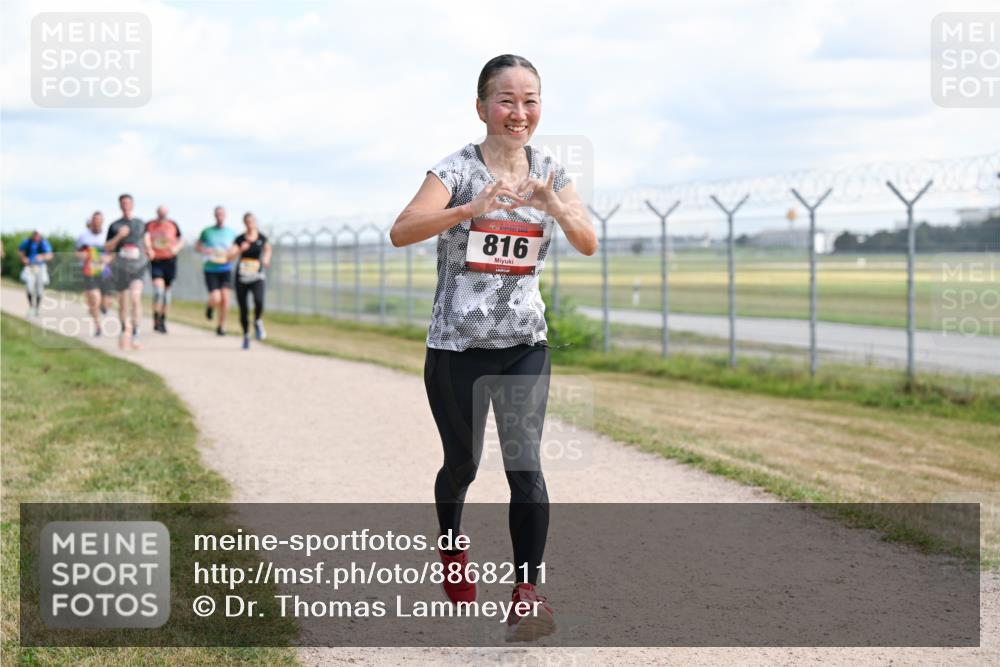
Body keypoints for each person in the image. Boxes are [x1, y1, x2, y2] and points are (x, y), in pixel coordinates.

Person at [389, 54, 597, 642]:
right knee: (462, 465)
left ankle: (527, 593)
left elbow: (587, 242)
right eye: (506, 100)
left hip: (524, 343)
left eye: (530, 100)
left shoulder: (551, 172)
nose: (519, 112)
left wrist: (556, 205)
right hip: (457, 345)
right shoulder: (453, 169)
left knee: (525, 465)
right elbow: (401, 230)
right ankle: (452, 550)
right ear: (481, 107)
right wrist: (469, 209)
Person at [105, 193, 151, 350]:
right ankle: (125, 329)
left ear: (132, 204)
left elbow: (146, 240)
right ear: (119, 205)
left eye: (128, 202)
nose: (125, 205)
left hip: (138, 266)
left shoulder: (140, 223)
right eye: (123, 202)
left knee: (136, 298)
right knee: (123, 302)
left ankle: (136, 332)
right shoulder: (114, 226)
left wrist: (149, 249)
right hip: (121, 267)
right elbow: (108, 247)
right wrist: (119, 236)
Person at [227, 212, 271, 349]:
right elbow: (229, 256)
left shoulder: (262, 237)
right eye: (247, 221)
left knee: (259, 300)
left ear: (255, 222)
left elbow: (268, 249)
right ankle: (246, 335)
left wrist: (266, 260)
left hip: (257, 276)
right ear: (244, 223)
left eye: (252, 221)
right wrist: (240, 249)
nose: (250, 223)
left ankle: (257, 321)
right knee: (243, 308)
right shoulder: (240, 239)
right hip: (242, 277)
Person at [195, 206, 237, 336]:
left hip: (226, 268)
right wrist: (204, 250)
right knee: (216, 298)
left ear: (225, 215)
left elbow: (235, 249)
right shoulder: (207, 231)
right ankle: (210, 306)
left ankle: (221, 326)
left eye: (222, 214)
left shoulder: (231, 232)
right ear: (214, 215)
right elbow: (198, 246)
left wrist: (231, 254)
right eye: (217, 214)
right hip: (211, 268)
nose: (220, 216)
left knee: (226, 298)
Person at [145, 205, 184, 333]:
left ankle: (163, 319)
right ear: (157, 213)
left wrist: (176, 249)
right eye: (160, 213)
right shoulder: (150, 225)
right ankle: (156, 316)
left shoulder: (173, 225)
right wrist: (149, 249)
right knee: (158, 291)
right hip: (156, 261)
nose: (162, 216)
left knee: (167, 295)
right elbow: (145, 238)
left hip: (170, 261)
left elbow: (181, 239)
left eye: (164, 214)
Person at [74, 211, 114, 335]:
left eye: (99, 220)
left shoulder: (108, 236)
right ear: (91, 222)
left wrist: (108, 258)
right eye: (94, 220)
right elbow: (76, 252)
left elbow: (114, 252)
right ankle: (98, 327)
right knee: (94, 299)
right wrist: (82, 256)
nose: (96, 223)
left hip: (105, 271)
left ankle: (104, 307)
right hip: (89, 271)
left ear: (102, 222)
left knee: (106, 302)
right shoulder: (83, 237)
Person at [17, 229, 54, 316]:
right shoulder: (28, 242)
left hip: (40, 267)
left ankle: (37, 308)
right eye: (35, 234)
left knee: (39, 289)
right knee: (29, 287)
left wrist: (42, 257)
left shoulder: (43, 243)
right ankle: (31, 307)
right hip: (30, 267)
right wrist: (23, 258)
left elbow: (50, 255)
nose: (36, 236)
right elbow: (20, 250)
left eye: (38, 234)